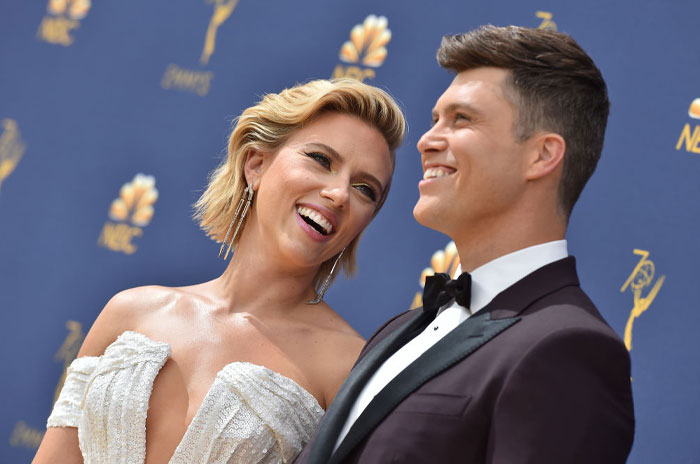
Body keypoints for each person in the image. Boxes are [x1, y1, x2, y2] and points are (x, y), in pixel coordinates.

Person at [296, 25, 635, 463]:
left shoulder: (569, 349)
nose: (426, 140)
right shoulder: (399, 330)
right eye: (436, 119)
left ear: (542, 155)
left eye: (461, 119)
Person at [33, 78, 406, 463]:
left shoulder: (349, 367)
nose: (339, 193)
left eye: (365, 189)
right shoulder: (130, 312)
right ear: (256, 164)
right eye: (321, 160)